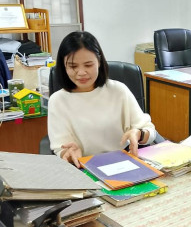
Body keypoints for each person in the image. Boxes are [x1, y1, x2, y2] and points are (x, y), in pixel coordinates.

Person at [48, 31, 157, 167]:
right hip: (83, 167)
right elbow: (60, 148)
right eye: (73, 66)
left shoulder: (118, 90)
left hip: (123, 164)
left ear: (99, 62)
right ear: (64, 67)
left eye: (88, 65)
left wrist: (139, 134)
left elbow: (150, 131)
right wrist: (67, 153)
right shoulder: (58, 101)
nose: (81, 72)